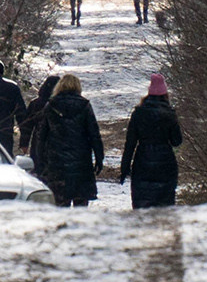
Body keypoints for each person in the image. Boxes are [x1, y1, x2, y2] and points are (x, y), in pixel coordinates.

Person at [119, 74, 185, 209]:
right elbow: (176, 141)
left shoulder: (138, 113)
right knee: (164, 207)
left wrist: (124, 168)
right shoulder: (169, 113)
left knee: (142, 206)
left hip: (142, 163)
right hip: (165, 165)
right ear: (165, 93)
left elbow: (130, 143)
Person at [40, 73, 103, 206]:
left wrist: (40, 160)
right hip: (81, 162)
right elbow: (94, 134)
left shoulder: (51, 106)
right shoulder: (84, 106)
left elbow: (42, 135)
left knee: (60, 202)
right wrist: (99, 157)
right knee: (80, 201)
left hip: (57, 163)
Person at [19, 74, 62, 195]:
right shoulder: (61, 104)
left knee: (40, 172)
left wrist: (24, 144)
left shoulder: (36, 104)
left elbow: (27, 126)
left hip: (38, 144)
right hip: (58, 144)